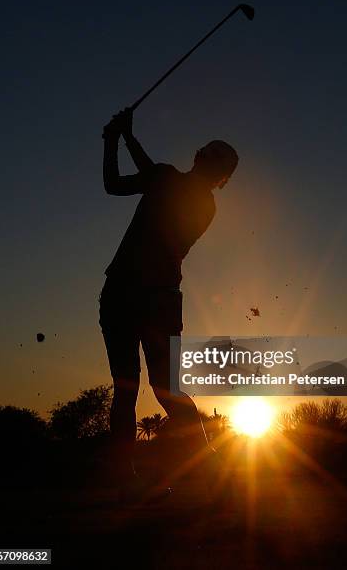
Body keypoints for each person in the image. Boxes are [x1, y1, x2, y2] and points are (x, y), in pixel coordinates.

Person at [99, 108, 238, 477]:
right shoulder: (197, 199)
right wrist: (119, 139)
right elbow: (116, 184)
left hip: (134, 294)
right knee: (157, 389)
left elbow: (137, 180)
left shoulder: (182, 190)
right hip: (149, 297)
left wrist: (121, 137)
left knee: (134, 389)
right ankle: (213, 477)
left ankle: (135, 480)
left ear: (202, 159)